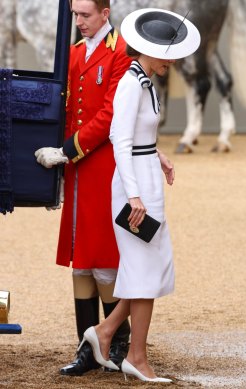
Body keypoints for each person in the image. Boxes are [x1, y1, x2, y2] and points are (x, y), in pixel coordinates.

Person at [77, 8, 199, 382]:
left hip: (145, 177)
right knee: (145, 271)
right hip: (135, 186)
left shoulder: (144, 80)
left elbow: (138, 136)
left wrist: (158, 155)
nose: (174, 60)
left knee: (152, 267)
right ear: (155, 52)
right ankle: (136, 356)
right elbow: (120, 139)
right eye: (171, 53)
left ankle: (105, 331)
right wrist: (133, 196)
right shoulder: (132, 82)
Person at [33, 0, 132, 376]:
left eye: (85, 15)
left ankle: (115, 344)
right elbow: (66, 106)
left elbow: (109, 116)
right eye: (75, 15)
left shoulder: (121, 52)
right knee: (80, 262)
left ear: (105, 14)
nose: (79, 21)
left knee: (103, 259)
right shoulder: (74, 52)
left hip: (103, 166)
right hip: (76, 169)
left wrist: (66, 150)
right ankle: (87, 349)